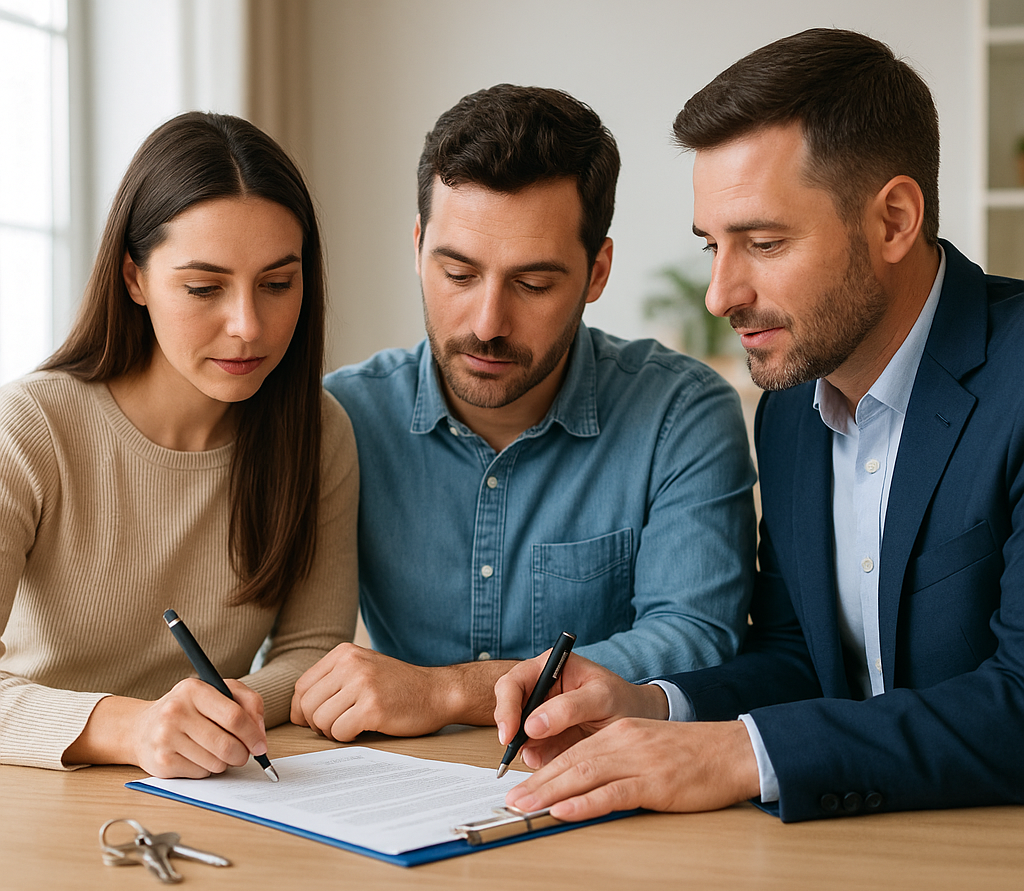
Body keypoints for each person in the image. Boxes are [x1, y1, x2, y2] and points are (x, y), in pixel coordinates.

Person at [493, 28, 1024, 823]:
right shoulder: (792, 407)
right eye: (713, 245)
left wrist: (743, 752)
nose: (720, 294)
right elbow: (801, 659)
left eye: (764, 243)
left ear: (894, 220)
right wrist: (646, 703)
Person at [290, 84, 756, 741]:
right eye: (457, 274)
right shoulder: (341, 416)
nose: (487, 323)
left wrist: (449, 691)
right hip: (398, 788)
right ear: (418, 248)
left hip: (603, 798)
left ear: (597, 273)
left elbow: (696, 637)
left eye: (533, 284)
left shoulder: (680, 414)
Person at [0, 112, 358, 777]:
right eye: (204, 288)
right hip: (33, 796)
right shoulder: (27, 427)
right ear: (134, 278)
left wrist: (226, 708)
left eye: (278, 284)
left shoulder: (318, 430)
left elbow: (314, 650)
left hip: (215, 787)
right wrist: (134, 727)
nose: (249, 326)